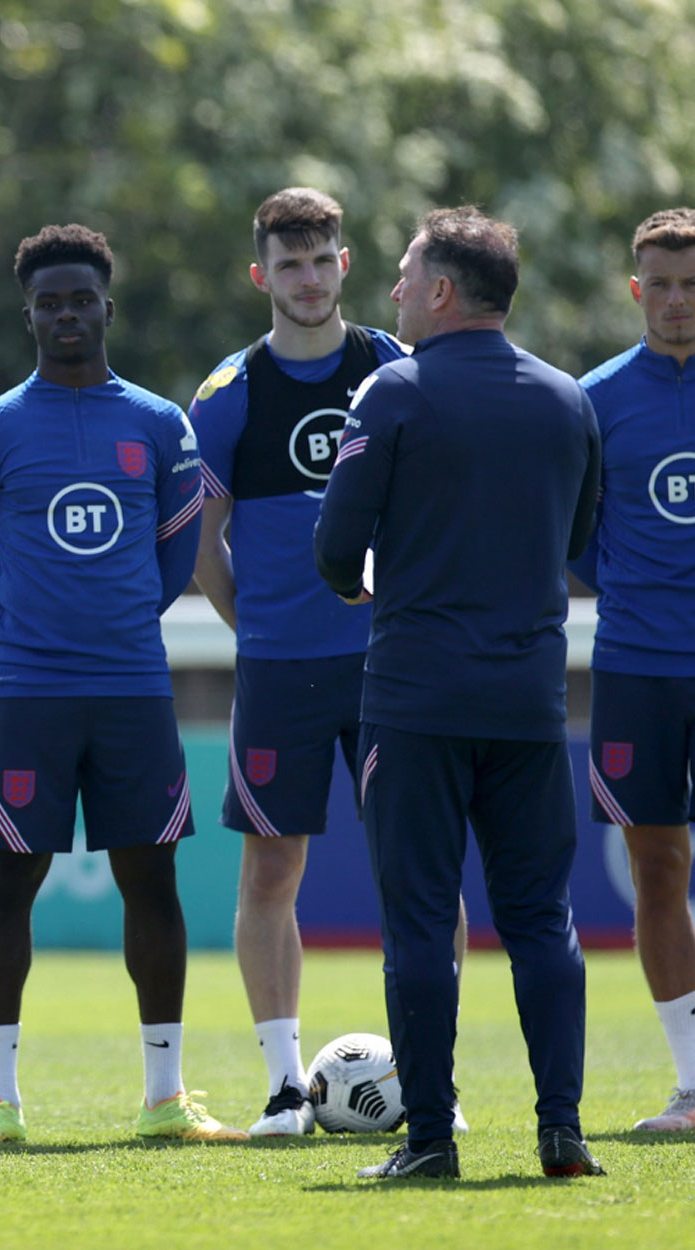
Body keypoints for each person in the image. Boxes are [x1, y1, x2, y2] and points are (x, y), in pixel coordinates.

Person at [316, 206, 602, 1180]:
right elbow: (578, 538)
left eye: (405, 273)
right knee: (542, 919)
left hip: (414, 704)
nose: (393, 289)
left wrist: (368, 579)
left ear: (440, 290)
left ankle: (429, 1139)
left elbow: (333, 549)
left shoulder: (390, 392)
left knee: (417, 925)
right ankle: (561, 1131)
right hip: (528, 704)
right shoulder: (567, 397)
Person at [0, 223, 240, 1146]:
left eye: (81, 299)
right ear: (28, 315)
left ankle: (164, 1098)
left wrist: (111, 627)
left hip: (132, 690)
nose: (66, 314)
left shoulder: (160, 426)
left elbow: (172, 563)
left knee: (151, 881)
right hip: (27, 691)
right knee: (8, 881)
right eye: (49, 302)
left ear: (108, 308)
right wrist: (42, 628)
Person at [188, 188, 456, 1136]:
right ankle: (282, 1087)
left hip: (394, 669)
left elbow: (442, 507)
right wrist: (259, 627)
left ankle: (435, 1085)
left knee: (419, 875)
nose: (307, 279)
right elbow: (201, 543)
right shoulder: (228, 395)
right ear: (260, 275)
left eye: (321, 260)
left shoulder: (397, 369)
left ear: (345, 264)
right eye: (288, 264)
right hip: (279, 671)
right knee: (270, 873)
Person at [569, 207, 695, 1133]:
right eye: (661, 284)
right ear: (634, 289)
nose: (677, 300)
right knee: (657, 862)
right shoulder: (596, 399)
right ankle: (692, 1085)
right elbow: (572, 537)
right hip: (637, 665)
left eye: (691, 285)